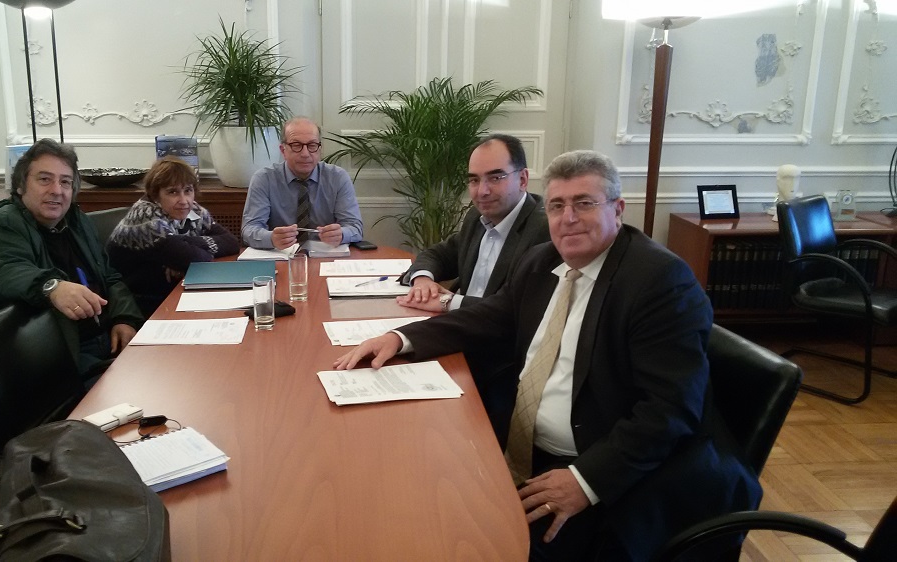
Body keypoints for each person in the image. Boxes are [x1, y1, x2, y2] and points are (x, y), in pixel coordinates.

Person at [334, 150, 761, 560]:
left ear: (617, 209)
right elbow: (489, 318)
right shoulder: (542, 261)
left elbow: (669, 410)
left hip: (613, 471)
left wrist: (585, 481)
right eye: (557, 206)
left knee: (479, 543)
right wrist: (400, 338)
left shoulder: (660, 282)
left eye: (584, 203)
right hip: (527, 446)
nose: (567, 218)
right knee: (413, 494)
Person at [0, 139, 144, 381]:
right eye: (44, 179)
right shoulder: (3, 223)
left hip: (107, 340)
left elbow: (109, 276)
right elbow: (7, 271)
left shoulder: (77, 221)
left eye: (65, 182)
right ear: (20, 185)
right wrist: (52, 286)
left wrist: (125, 318)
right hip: (58, 359)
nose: (56, 190)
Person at [398, 134, 549, 314]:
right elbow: (438, 255)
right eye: (474, 180)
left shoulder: (543, 229)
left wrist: (449, 303)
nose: (482, 191)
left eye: (495, 178)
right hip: (458, 323)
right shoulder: (477, 217)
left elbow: (518, 307)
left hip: (496, 330)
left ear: (522, 179)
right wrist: (423, 280)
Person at [106, 157, 240, 315]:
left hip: (170, 292)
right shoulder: (145, 217)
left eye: (188, 191)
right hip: (135, 305)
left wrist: (182, 246)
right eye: (173, 192)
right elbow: (195, 258)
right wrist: (184, 256)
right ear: (155, 195)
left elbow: (231, 242)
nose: (183, 200)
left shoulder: (193, 211)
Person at [241, 117, 363, 249]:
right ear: (283, 150)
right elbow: (249, 229)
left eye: (312, 145)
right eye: (296, 145)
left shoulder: (338, 178)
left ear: (319, 149)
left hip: (326, 256)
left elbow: (355, 228)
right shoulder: (264, 179)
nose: (305, 154)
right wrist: (271, 238)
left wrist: (341, 234)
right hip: (281, 255)